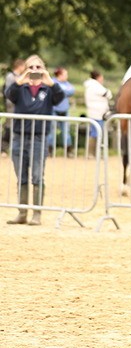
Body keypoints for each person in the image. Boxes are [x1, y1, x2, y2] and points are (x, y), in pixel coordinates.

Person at [4, 55, 64, 225]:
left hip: (39, 138)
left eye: (38, 67)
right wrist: (22, 78)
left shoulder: (49, 89)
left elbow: (60, 98)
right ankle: (22, 213)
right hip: (19, 137)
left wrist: (50, 81)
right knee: (21, 176)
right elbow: (9, 94)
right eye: (31, 67)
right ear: (25, 69)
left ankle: (36, 214)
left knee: (37, 176)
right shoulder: (20, 88)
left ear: (43, 69)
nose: (35, 71)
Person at [82, 70, 113, 157]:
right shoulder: (95, 86)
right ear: (98, 77)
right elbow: (108, 94)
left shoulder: (90, 86)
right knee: (97, 133)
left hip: (94, 112)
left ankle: (92, 152)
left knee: (94, 132)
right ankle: (93, 152)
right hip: (98, 113)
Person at [2, 58, 26, 155]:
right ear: (19, 66)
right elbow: (9, 91)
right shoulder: (10, 76)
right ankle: (3, 147)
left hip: (19, 104)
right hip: (11, 104)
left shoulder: (20, 76)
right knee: (9, 125)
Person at [52, 67, 76, 153]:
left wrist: (60, 91)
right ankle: (49, 149)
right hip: (54, 109)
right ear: (60, 74)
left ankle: (68, 149)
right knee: (52, 130)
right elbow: (55, 90)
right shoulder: (52, 81)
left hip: (64, 109)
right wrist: (63, 91)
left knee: (66, 130)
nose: (67, 76)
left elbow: (72, 90)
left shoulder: (67, 83)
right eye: (65, 74)